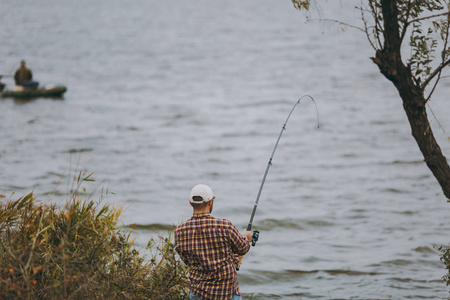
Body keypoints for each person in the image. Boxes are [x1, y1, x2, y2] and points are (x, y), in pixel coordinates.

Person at [174, 184, 253, 300]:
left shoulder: (179, 231)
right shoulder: (225, 226)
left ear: (190, 203)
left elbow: (188, 261)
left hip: (198, 293)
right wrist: (246, 237)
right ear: (210, 202)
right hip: (227, 294)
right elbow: (243, 248)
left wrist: (230, 257)